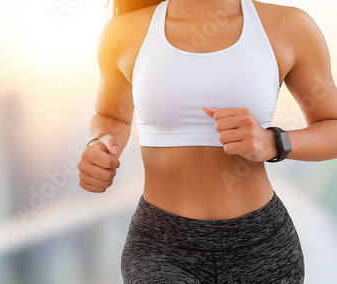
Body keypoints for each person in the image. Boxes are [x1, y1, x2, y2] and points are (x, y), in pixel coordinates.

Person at [76, 0, 337, 283]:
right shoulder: (122, 32)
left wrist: (273, 142)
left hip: (262, 246)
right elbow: (112, 116)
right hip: (160, 248)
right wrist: (99, 144)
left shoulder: (290, 27)